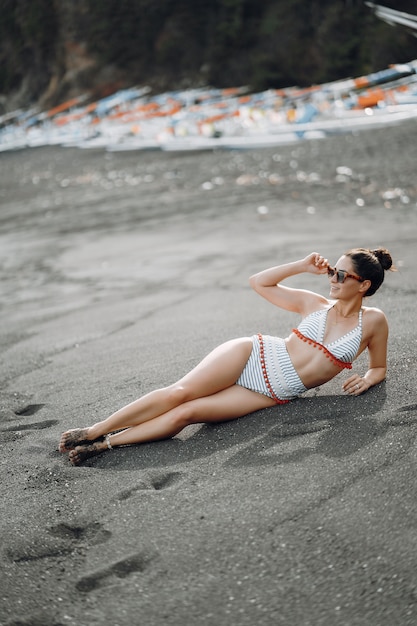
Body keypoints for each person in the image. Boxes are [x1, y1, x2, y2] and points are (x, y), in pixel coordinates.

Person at [59, 247, 394, 465]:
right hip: (252, 354)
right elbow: (259, 283)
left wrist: (367, 378)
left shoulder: (374, 322)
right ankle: (93, 430)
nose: (331, 279)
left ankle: (105, 445)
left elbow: (378, 366)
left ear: (363, 285)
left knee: (185, 414)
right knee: (180, 393)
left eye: (340, 275)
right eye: (331, 271)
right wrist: (301, 266)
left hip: (268, 393)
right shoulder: (315, 304)